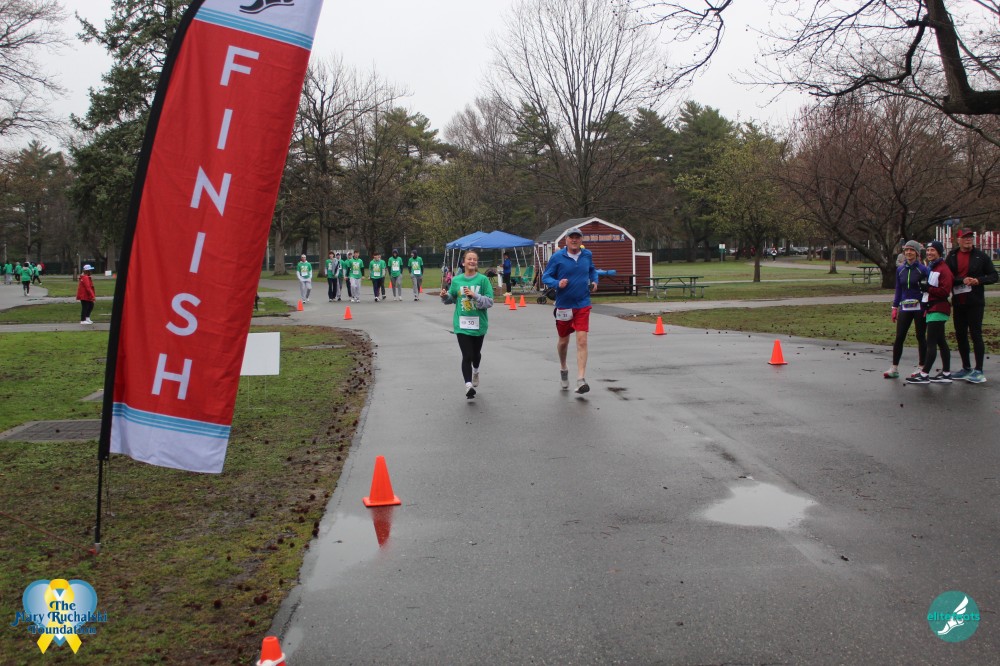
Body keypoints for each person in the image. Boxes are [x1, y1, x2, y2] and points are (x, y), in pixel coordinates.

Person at [541, 226, 598, 394]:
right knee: (563, 342)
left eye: (577, 237)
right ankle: (563, 368)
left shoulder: (587, 255)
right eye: (571, 237)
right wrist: (557, 283)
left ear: (581, 240)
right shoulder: (557, 257)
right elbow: (546, 276)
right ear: (566, 240)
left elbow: (592, 270)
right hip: (564, 305)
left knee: (582, 341)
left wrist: (594, 282)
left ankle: (581, 379)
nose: (574, 240)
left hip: (582, 304)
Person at [944, 229, 998, 384]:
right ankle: (966, 367)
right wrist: (961, 280)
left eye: (970, 237)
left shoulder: (981, 256)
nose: (968, 240)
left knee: (976, 334)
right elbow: (947, 277)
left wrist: (978, 280)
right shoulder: (952, 256)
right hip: (958, 301)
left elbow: (994, 276)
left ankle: (978, 369)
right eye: (965, 237)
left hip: (975, 301)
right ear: (958, 240)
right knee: (960, 335)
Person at [440, 250, 494, 399]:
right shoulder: (457, 280)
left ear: (477, 263)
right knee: (467, 355)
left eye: (474, 259)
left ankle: (476, 371)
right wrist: (445, 296)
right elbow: (451, 298)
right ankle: (468, 386)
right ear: (463, 262)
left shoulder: (483, 280)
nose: (472, 261)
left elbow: (490, 301)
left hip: (479, 324)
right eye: (469, 259)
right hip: (461, 324)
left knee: (476, 354)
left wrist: (475, 295)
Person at [907, 240, 954, 384]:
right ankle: (946, 373)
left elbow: (945, 291)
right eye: (927, 250)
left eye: (932, 250)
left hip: (938, 308)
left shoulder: (943, 269)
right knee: (941, 341)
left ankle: (924, 374)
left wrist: (928, 288)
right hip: (932, 307)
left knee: (931, 342)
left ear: (939, 252)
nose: (929, 253)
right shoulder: (933, 267)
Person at [884, 240, 928, 379]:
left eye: (911, 250)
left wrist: (927, 306)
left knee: (920, 336)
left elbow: (928, 289)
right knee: (899, 337)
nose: (909, 252)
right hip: (905, 307)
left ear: (917, 253)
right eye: (906, 250)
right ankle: (894, 368)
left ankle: (921, 366)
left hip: (920, 307)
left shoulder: (923, 270)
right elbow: (899, 289)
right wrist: (894, 307)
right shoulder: (900, 269)